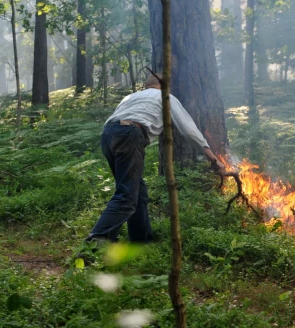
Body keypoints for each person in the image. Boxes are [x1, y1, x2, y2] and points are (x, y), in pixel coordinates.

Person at [86, 73, 225, 244]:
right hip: (129, 135)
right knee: (127, 195)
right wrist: (213, 159)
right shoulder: (165, 96)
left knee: (138, 192)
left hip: (107, 136)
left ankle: (141, 242)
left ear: (147, 85)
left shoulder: (131, 97)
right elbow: (189, 130)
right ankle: (96, 241)